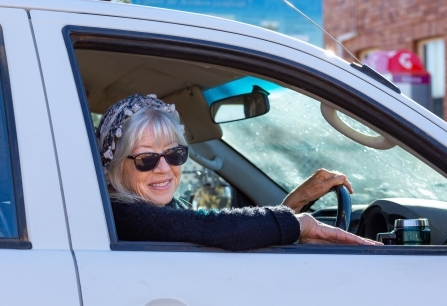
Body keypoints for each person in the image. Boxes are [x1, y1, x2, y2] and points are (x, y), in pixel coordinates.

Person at [96, 94, 381, 251]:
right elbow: (212, 228)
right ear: (114, 166)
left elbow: (208, 226)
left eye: (174, 154)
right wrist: (300, 224)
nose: (164, 169)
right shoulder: (121, 214)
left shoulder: (164, 211)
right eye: (146, 158)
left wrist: (292, 206)